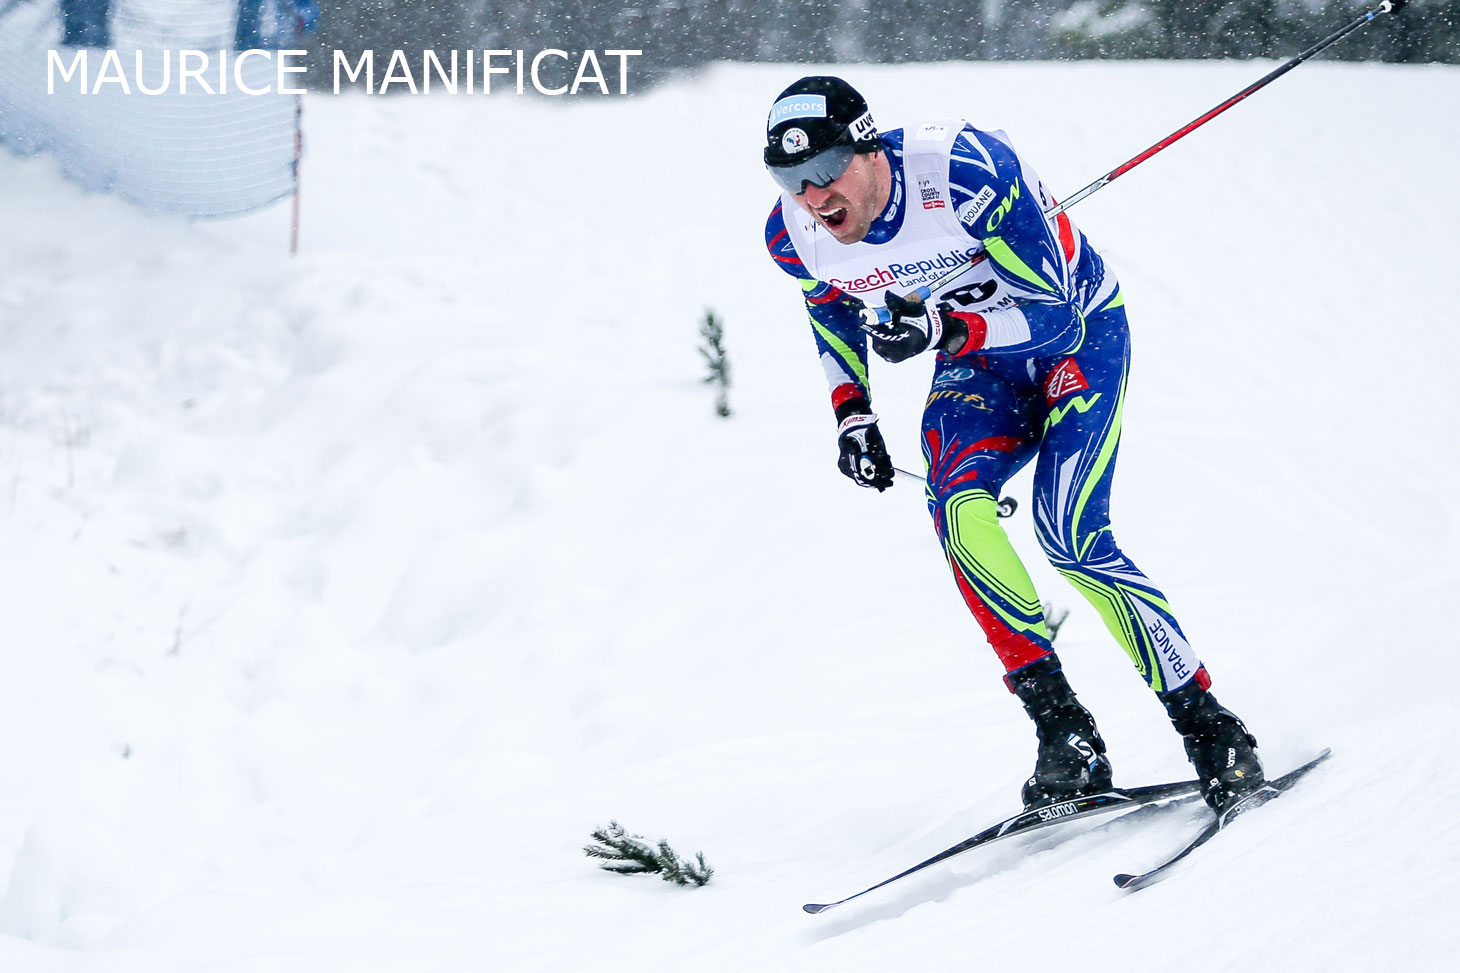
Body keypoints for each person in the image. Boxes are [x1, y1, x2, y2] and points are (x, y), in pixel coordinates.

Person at [762, 76, 1263, 813]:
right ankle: (1065, 732)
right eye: (788, 179)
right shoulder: (794, 234)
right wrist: (852, 412)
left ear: (868, 149)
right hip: (978, 363)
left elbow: (1055, 318)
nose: (811, 196)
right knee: (957, 514)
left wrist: (936, 330)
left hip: (1076, 340)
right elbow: (829, 306)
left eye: (824, 170)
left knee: (1070, 537)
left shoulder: (965, 173)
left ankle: (1209, 725)